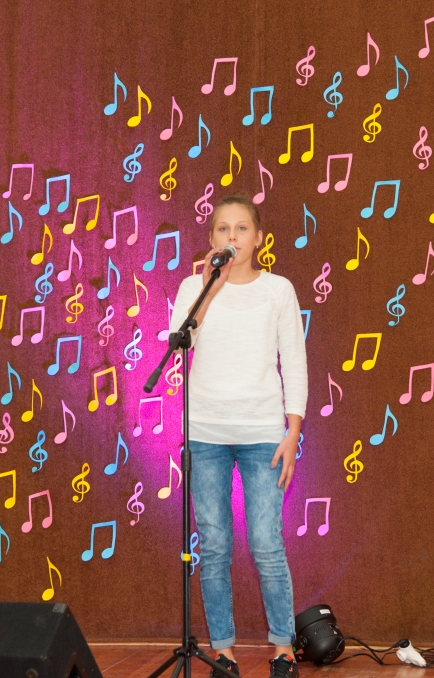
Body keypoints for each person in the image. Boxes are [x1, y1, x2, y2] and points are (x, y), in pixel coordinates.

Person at [169, 194, 307, 678]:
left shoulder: (278, 290)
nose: (233, 236)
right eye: (223, 229)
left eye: (242, 228)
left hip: (262, 433)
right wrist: (213, 285)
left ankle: (283, 648)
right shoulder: (194, 287)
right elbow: (180, 338)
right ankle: (222, 651)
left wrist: (292, 432)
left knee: (266, 542)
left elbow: (294, 360)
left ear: (259, 238)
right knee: (214, 544)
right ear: (212, 239)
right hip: (205, 434)